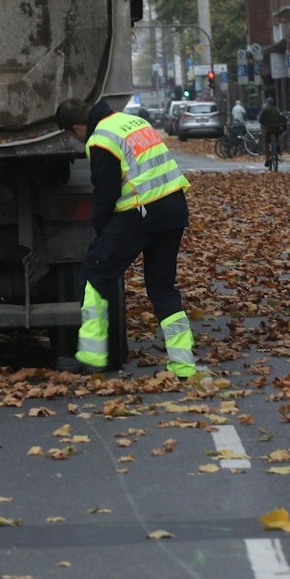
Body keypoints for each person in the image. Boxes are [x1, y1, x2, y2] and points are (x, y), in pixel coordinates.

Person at [54, 98, 198, 381]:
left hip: (142, 210)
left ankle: (92, 356)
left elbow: (104, 196)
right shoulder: (133, 121)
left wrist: (101, 238)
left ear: (77, 127)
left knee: (95, 272)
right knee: (162, 288)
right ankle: (183, 364)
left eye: (73, 134)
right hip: (174, 208)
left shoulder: (101, 139)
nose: (77, 139)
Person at [258, 97, 288, 171]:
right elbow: (281, 119)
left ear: (267, 103)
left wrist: (263, 124)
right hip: (276, 128)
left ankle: (267, 159)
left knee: (265, 143)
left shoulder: (265, 109)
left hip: (267, 129)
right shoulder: (277, 110)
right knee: (277, 138)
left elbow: (260, 119)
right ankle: (278, 149)